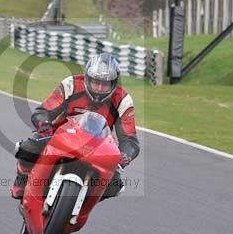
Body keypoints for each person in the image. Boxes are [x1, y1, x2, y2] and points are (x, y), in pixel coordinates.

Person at [10, 52, 140, 201]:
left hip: (97, 147)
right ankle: (21, 182)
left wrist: (126, 154)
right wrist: (44, 124)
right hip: (59, 137)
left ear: (114, 83)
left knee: (114, 186)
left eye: (105, 84)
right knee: (27, 148)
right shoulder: (71, 84)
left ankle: (83, 205)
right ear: (87, 78)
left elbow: (130, 138)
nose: (99, 88)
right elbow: (43, 110)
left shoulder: (123, 100)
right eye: (95, 82)